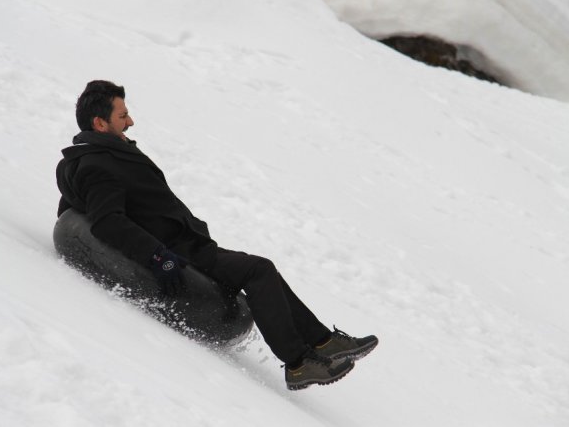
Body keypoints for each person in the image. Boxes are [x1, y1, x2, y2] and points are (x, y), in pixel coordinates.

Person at [56, 80, 378, 390]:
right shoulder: (97, 164)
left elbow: (79, 201)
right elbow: (107, 221)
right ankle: (298, 364)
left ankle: (324, 341)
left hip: (189, 245)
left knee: (261, 271)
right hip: (180, 254)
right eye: (122, 116)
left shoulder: (105, 157)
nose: (131, 121)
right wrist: (158, 257)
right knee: (258, 270)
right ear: (100, 123)